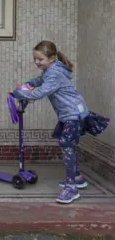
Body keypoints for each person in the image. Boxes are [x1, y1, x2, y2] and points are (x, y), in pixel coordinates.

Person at [12, 40, 109, 204]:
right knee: (67, 143)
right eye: (35, 58)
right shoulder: (51, 69)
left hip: (73, 113)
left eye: (40, 59)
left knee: (66, 143)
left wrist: (20, 94)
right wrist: (29, 84)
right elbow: (41, 81)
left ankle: (72, 188)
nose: (36, 62)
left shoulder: (55, 73)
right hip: (70, 113)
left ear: (52, 58)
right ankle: (77, 177)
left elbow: (40, 93)